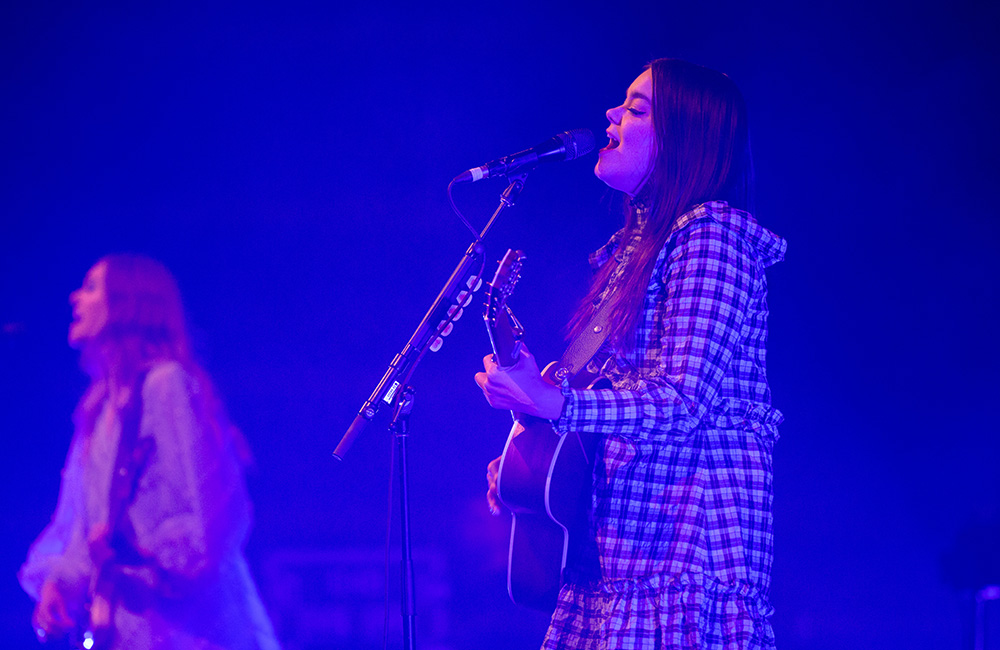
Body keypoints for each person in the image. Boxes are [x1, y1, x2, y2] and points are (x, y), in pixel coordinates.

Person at [475, 58, 786, 649]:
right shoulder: (633, 252)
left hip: (685, 558)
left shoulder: (712, 237)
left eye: (638, 108)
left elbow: (681, 397)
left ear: (684, 140)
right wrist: (534, 463)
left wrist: (554, 403)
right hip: (615, 561)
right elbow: (617, 402)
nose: (612, 115)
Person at [20, 254, 281, 649]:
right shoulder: (97, 409)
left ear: (129, 304)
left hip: (190, 631)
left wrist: (136, 548)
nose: (76, 298)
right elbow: (77, 528)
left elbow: (213, 520)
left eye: (92, 288)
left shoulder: (167, 386)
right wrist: (57, 585)